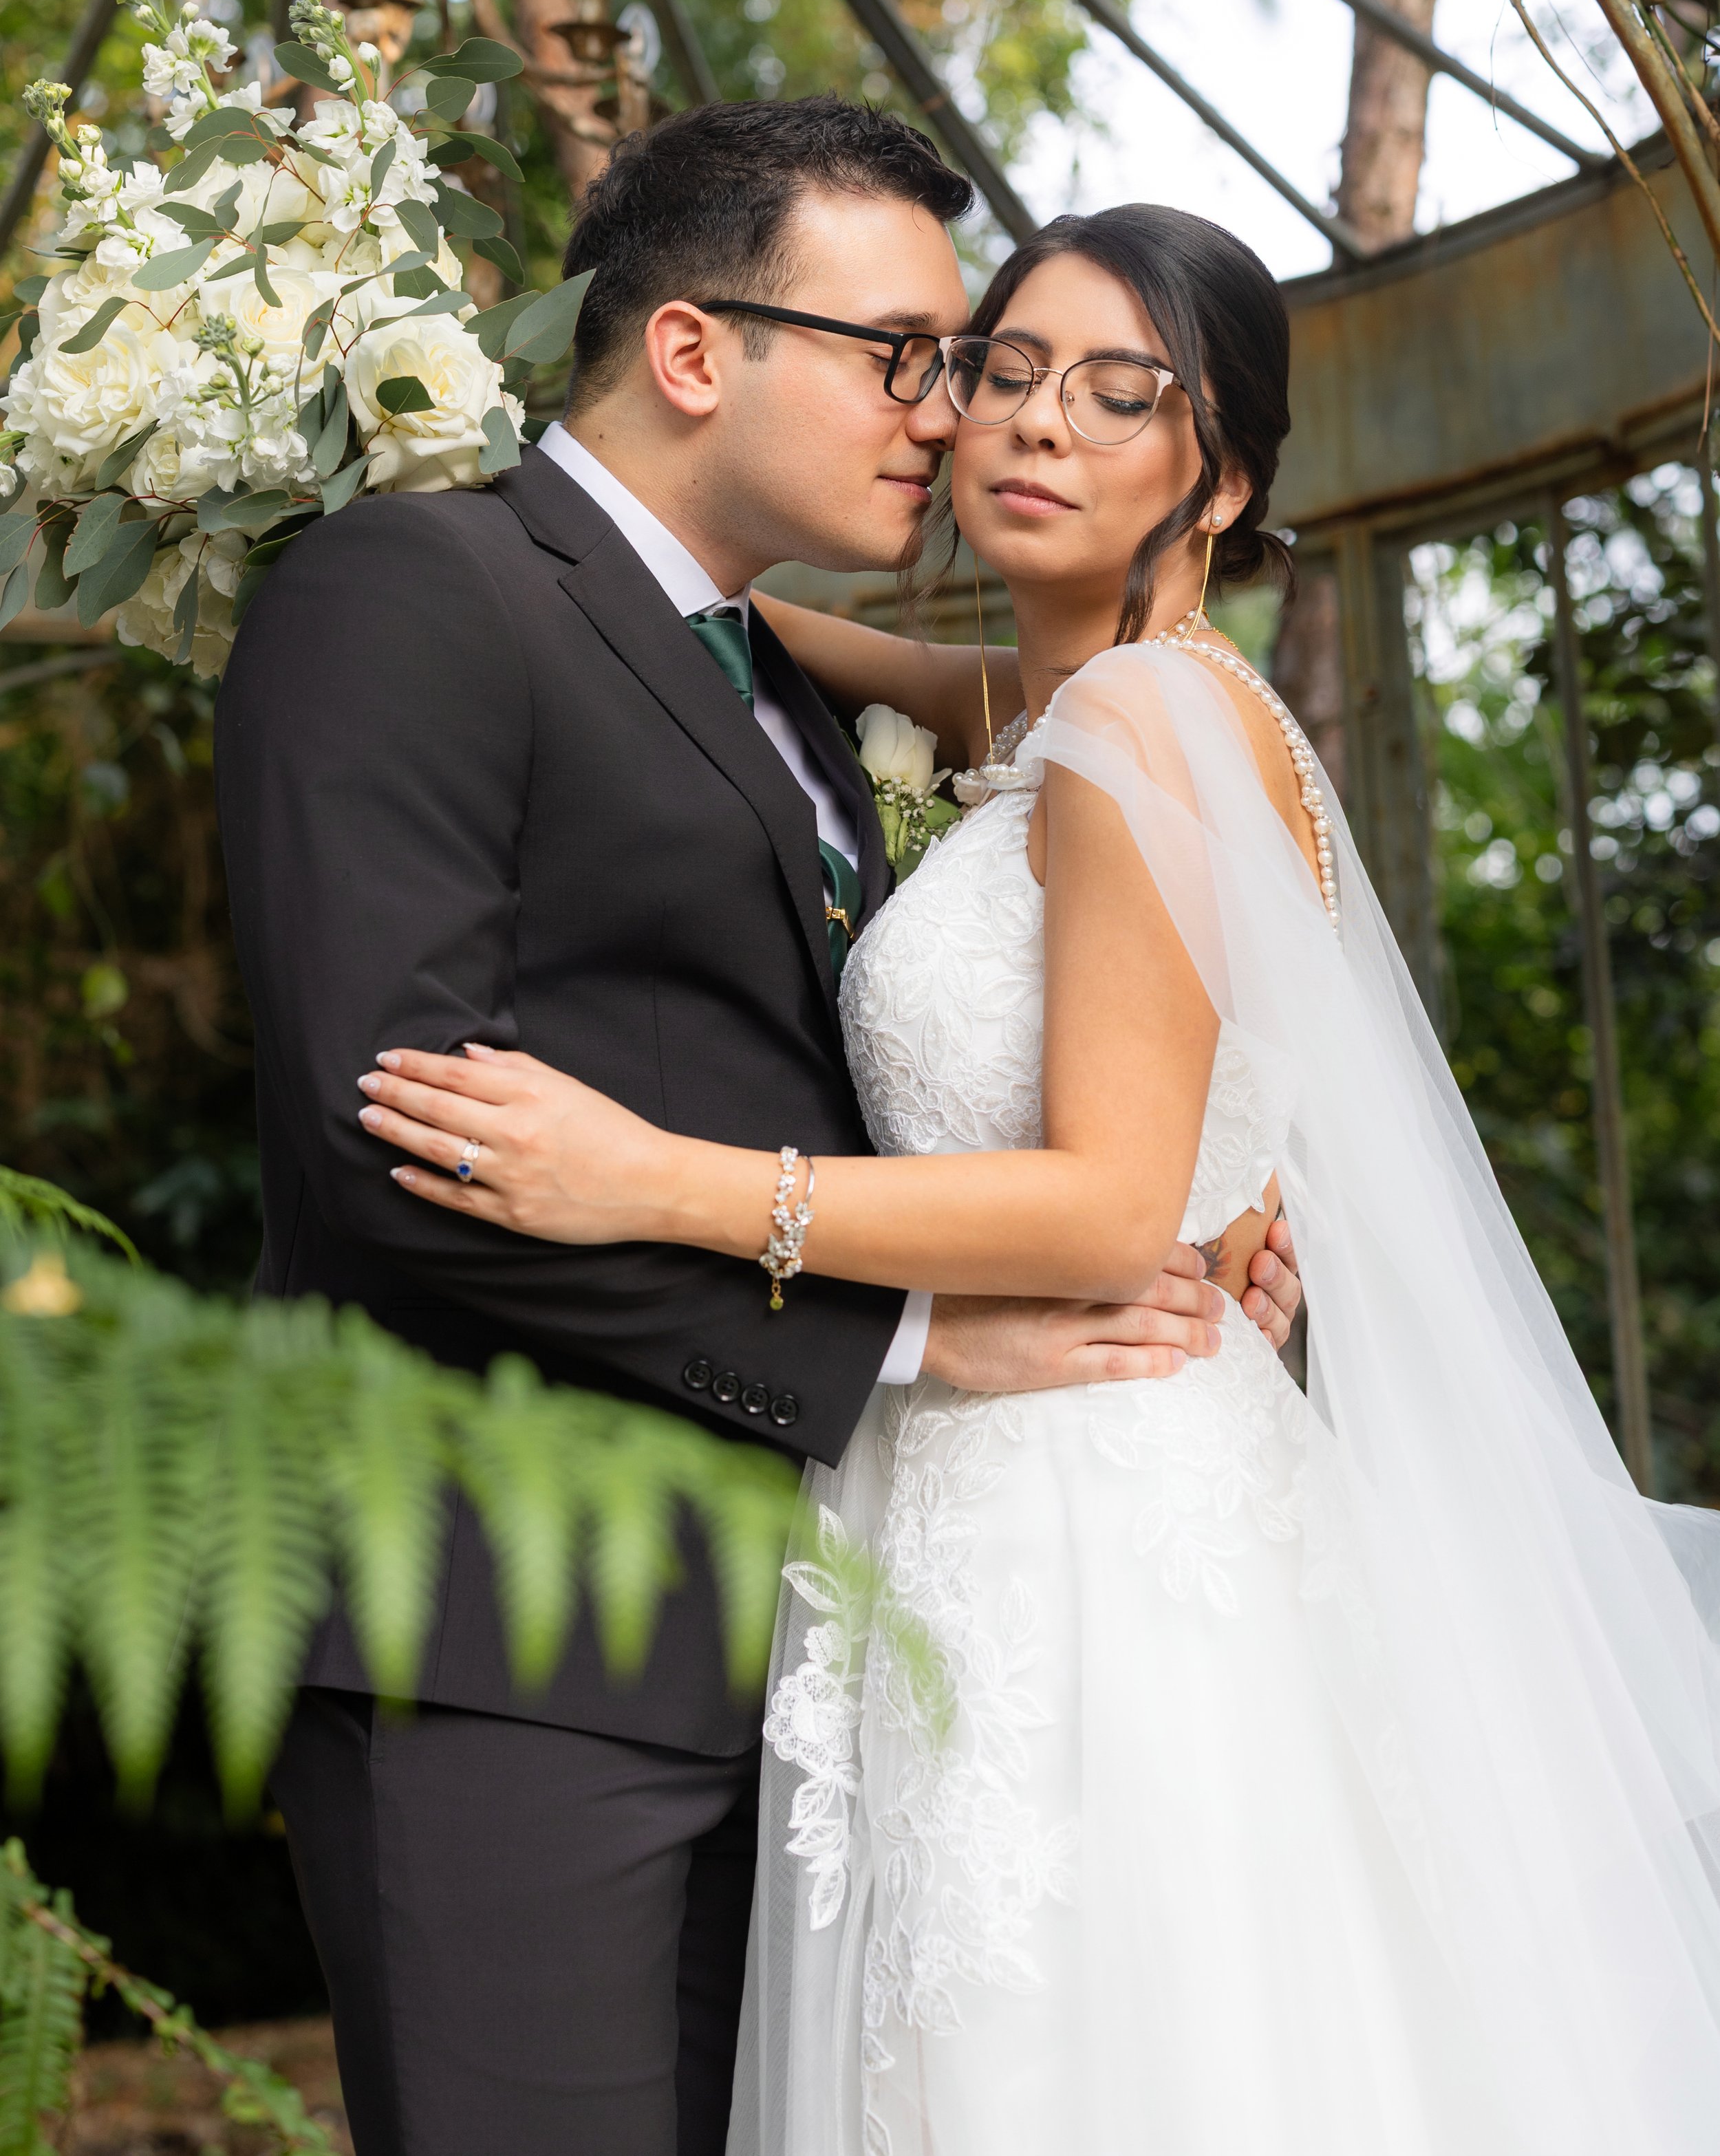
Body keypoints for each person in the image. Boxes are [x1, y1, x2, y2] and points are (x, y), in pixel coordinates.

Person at [363, 202, 1720, 2154]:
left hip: (1081, 1513)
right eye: (998, 374)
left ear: (1221, 472)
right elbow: (711, 633)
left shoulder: (1140, 719)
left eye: (1115, 394)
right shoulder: (1054, 715)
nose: (1031, 425)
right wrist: (389, 468)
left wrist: (659, 1179)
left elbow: (1099, 1207)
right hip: (1020, 1477)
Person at [214, 109, 1304, 2156]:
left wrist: (1239, 1193)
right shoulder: (413, 593)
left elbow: (1127, 989)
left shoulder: (802, 697)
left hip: (852, 1657)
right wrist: (900, 1341)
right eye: (917, 355)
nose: (957, 415)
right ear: (699, 352)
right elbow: (399, 1147)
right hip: (520, 1647)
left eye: (975, 364)